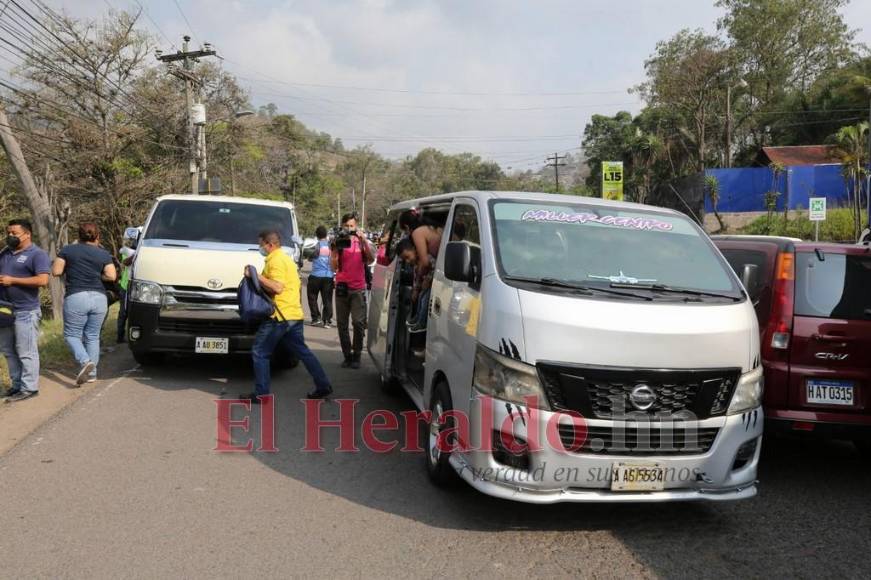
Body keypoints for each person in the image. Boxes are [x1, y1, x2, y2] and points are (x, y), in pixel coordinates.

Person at [240, 230, 332, 402]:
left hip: (279, 316)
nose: (260, 248)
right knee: (303, 352)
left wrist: (256, 276)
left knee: (260, 352)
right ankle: (323, 385)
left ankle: (261, 395)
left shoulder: (275, 260)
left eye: (261, 244)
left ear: (270, 244)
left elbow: (277, 287)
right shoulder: (286, 259)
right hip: (293, 315)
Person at [52, 223, 116, 386]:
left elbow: (56, 271)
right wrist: (98, 275)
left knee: (72, 335)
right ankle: (92, 374)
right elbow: (112, 276)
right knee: (93, 336)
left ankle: (85, 360)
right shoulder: (103, 253)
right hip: (99, 298)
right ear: (97, 236)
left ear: (78, 236)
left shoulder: (68, 250)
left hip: (77, 296)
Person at [0, 219, 51, 401]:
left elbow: (43, 280)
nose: (10, 236)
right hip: (4, 311)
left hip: (26, 311)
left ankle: (29, 388)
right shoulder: (5, 253)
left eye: (14, 233)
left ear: (27, 234)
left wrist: (12, 280)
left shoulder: (37, 254)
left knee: (26, 351)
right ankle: (16, 385)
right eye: (8, 233)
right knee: (8, 350)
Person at [330, 213, 373, 369]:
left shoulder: (360, 242)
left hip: (358, 288)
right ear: (342, 226)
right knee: (342, 324)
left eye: (351, 226)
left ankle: (357, 356)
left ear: (356, 226)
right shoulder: (339, 242)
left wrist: (363, 242)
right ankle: (347, 356)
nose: (349, 229)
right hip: (341, 287)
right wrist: (334, 250)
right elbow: (333, 267)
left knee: (358, 322)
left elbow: (371, 259)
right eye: (346, 226)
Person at [398, 210, 443, 332]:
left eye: (405, 231)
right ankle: (418, 319)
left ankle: (421, 322)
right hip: (438, 272)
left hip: (435, 272)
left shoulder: (418, 233)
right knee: (424, 297)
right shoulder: (431, 228)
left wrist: (420, 284)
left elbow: (425, 262)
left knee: (424, 298)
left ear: (407, 227)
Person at [396, 238, 435, 333]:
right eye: (405, 260)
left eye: (407, 257)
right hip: (426, 287)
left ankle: (422, 322)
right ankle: (418, 317)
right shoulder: (416, 263)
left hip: (432, 286)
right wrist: (415, 289)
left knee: (425, 299)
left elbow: (436, 267)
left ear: (414, 249)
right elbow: (416, 277)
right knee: (421, 297)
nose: (408, 261)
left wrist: (428, 279)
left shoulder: (426, 257)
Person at [306, 225, 334, 328]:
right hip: (328, 276)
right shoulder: (331, 246)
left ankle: (315, 318)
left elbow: (309, 258)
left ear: (316, 235)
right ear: (326, 234)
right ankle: (327, 321)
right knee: (327, 299)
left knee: (312, 297)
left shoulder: (315, 245)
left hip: (315, 276)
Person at [116, 235, 136, 343]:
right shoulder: (127, 252)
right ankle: (120, 337)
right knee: (123, 313)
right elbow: (125, 261)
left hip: (137, 288)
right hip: (126, 286)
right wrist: (136, 255)